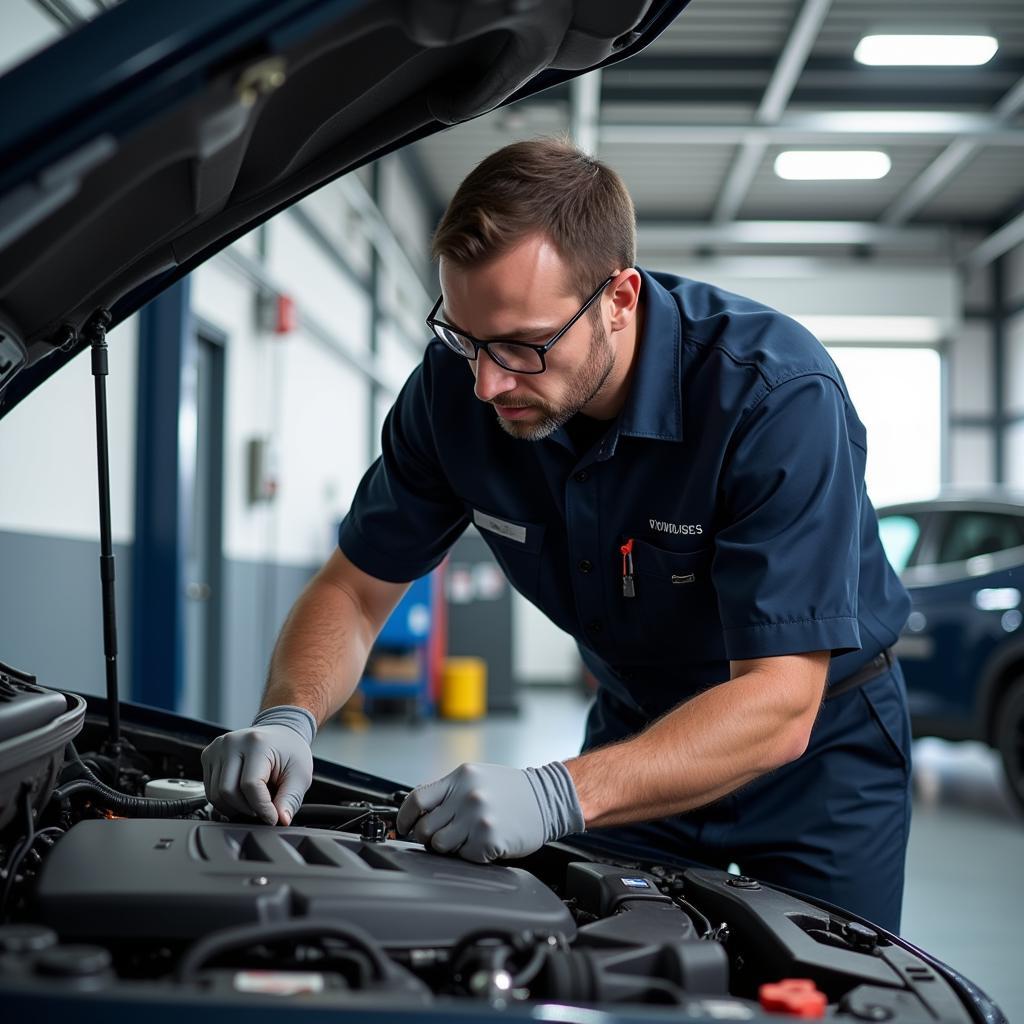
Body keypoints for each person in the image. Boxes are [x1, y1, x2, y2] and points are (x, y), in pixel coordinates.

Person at [202, 138, 913, 933]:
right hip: (637, 729)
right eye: (465, 338)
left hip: (820, 756)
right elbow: (355, 588)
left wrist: (555, 795)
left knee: (835, 986)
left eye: (523, 345)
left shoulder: (774, 395)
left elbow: (781, 701)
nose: (488, 381)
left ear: (620, 298)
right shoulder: (456, 394)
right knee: (614, 969)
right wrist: (288, 716)